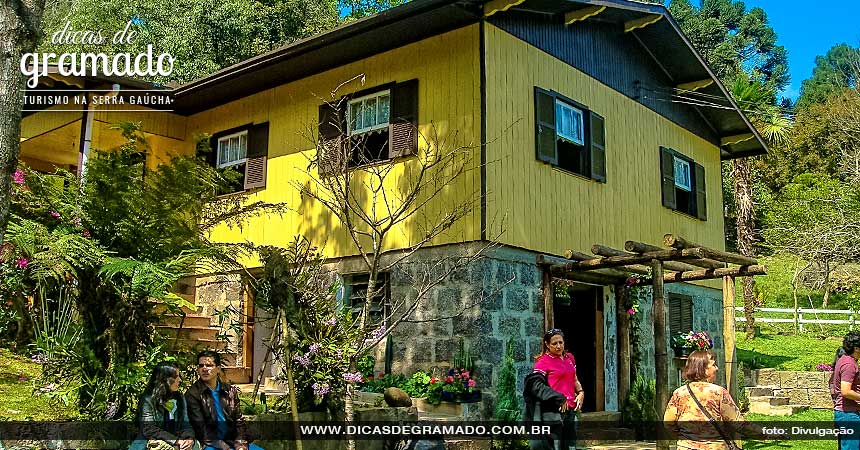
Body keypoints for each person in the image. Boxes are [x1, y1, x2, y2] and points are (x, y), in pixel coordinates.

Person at [664, 349, 750, 450]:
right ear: (703, 369)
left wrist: (684, 438)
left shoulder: (679, 393)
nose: (717, 368)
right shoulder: (718, 392)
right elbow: (737, 423)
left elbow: (668, 422)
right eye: (713, 365)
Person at [185, 350, 262, 450]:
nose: (204, 369)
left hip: (232, 441)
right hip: (210, 444)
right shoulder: (192, 394)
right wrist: (226, 448)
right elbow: (202, 429)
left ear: (218, 369)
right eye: (201, 365)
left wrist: (240, 446)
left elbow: (239, 422)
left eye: (209, 365)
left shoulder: (230, 391)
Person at [529, 328, 584, 450]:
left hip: (571, 409)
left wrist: (580, 393)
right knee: (556, 446)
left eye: (561, 342)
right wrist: (556, 397)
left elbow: (574, 379)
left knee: (571, 446)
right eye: (554, 343)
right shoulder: (542, 362)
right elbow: (536, 386)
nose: (558, 346)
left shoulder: (570, 358)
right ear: (547, 345)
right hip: (553, 411)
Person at [130, 362, 196, 450]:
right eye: (175, 377)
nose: (179, 380)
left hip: (177, 443)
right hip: (150, 444)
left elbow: (186, 424)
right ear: (164, 379)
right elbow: (148, 429)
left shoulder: (180, 398)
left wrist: (189, 438)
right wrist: (175, 441)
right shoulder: (148, 400)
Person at [832, 331, 860, 450]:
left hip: (847, 414)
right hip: (849, 415)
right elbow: (846, 391)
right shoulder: (849, 364)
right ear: (856, 348)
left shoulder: (845, 360)